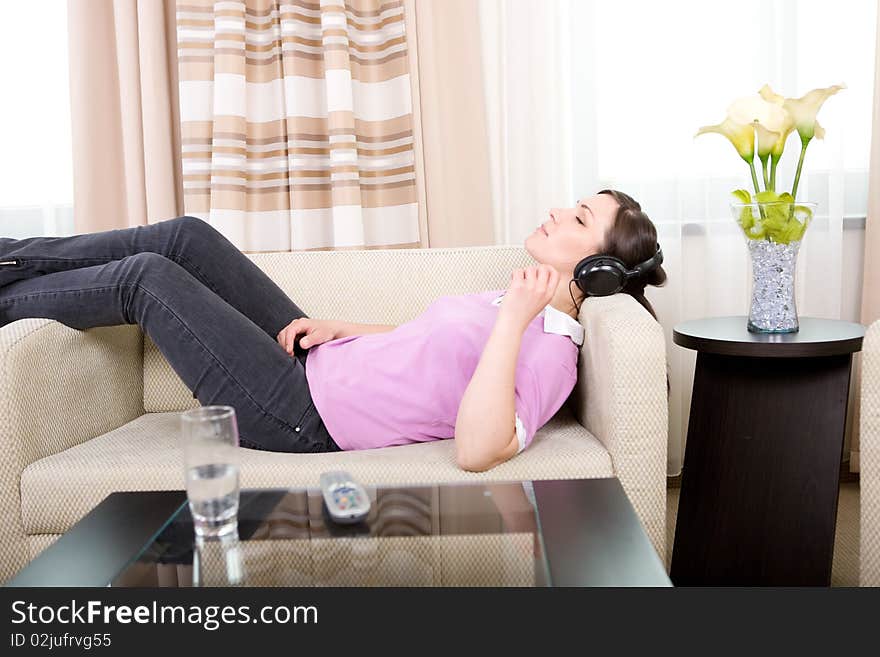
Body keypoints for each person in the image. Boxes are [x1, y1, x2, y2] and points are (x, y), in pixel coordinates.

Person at [0, 189, 665, 470]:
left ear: (600, 268)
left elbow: (477, 447)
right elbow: (426, 347)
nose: (556, 211)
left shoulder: (553, 353)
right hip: (319, 361)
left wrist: (515, 321)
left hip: (300, 416)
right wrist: (342, 326)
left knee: (146, 277)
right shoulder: (521, 295)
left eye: (578, 219)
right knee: (185, 238)